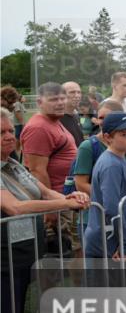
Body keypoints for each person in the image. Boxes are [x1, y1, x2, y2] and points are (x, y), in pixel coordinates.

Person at [2, 108, 89, 313]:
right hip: (4, 257)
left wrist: (68, 198)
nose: (8, 137)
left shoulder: (13, 164)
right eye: (0, 133)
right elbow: (14, 207)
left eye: (9, 131)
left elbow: (41, 190)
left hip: (27, 250)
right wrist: (63, 204)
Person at [21, 82, 79, 254]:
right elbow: (37, 171)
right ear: (39, 102)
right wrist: (51, 209)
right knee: (56, 253)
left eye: (62, 98)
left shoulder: (54, 121)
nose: (60, 102)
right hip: (56, 201)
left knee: (71, 247)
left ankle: (78, 280)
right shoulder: (39, 127)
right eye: (54, 99)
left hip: (65, 197)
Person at [84, 112, 126, 260]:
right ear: (108, 137)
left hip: (110, 237)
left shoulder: (119, 158)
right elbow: (112, 208)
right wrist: (124, 244)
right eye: (124, 134)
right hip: (107, 241)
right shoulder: (111, 165)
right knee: (108, 283)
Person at [71, 99, 126, 197]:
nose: (103, 122)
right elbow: (80, 184)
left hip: (124, 206)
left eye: (108, 117)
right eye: (100, 118)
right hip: (98, 207)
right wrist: (111, 196)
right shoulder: (88, 147)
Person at [60, 81, 86, 146]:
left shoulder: (78, 116)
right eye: (72, 92)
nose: (77, 95)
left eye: (79, 92)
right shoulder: (55, 119)